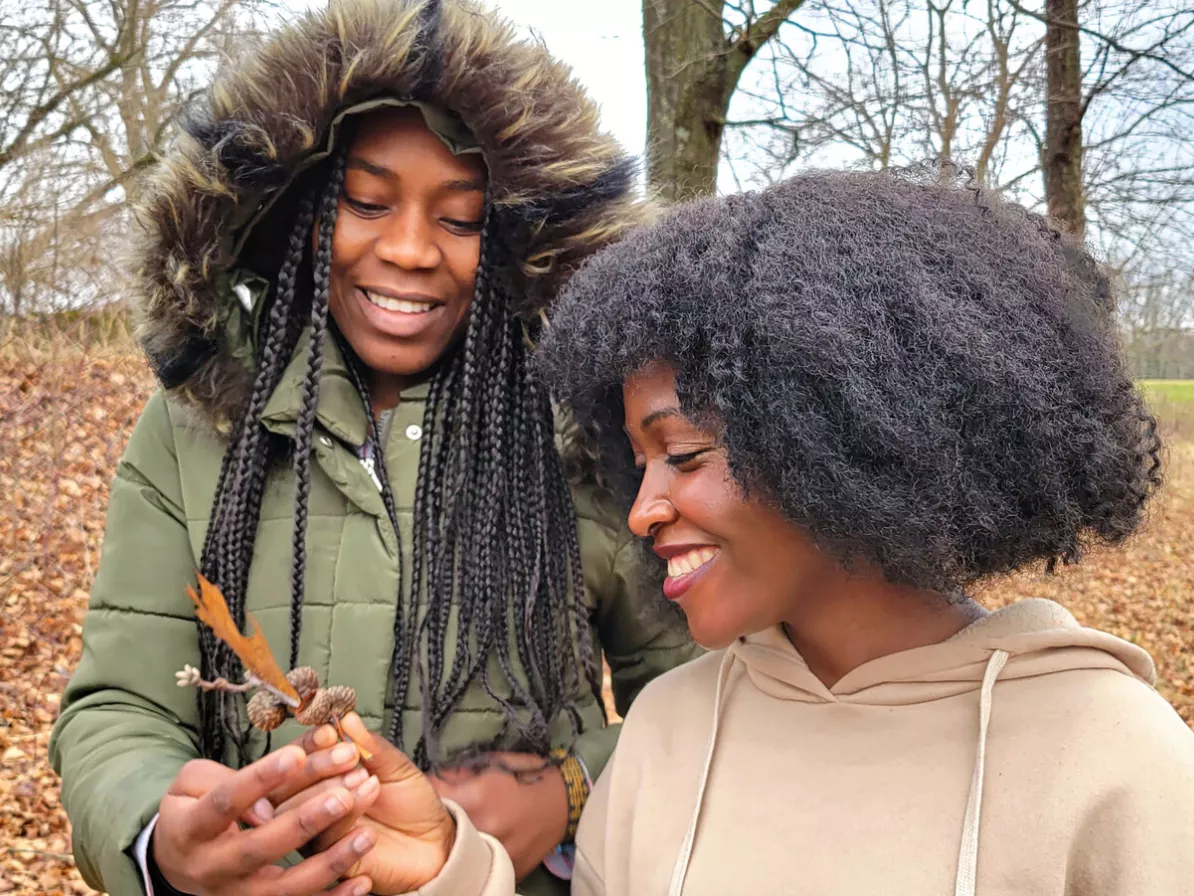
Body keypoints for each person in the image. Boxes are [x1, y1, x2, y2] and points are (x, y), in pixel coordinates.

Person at [278, 167, 1194, 895]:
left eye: (682, 453)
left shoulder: (1116, 765)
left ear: (847, 437)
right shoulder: (670, 729)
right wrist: (451, 866)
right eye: (637, 463)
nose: (642, 511)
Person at [48, 1, 699, 894]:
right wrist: (158, 830)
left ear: (511, 242)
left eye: (461, 219)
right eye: (367, 202)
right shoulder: (194, 430)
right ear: (306, 220)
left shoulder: (587, 436)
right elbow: (120, 705)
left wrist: (576, 788)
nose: (409, 250)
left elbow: (718, 696)